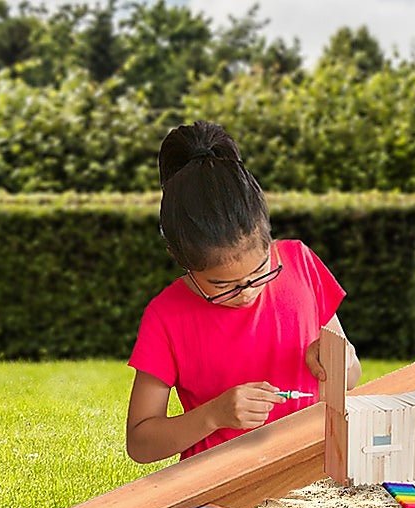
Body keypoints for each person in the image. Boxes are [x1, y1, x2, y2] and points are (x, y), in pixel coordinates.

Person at [126, 121, 361, 463]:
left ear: (268, 238)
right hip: (220, 483)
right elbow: (141, 443)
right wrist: (213, 415)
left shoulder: (300, 263)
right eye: (222, 286)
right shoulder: (166, 317)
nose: (246, 293)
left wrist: (340, 361)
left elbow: (351, 377)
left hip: (314, 467)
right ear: (182, 262)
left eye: (261, 271)